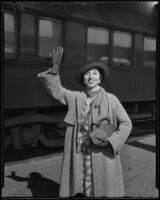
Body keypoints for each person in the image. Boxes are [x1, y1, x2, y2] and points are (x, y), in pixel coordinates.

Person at [37, 46, 132, 197]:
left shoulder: (111, 99)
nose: (91, 76)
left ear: (100, 79)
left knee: (103, 188)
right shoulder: (76, 97)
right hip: (81, 154)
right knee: (84, 188)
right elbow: (58, 91)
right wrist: (55, 69)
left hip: (102, 152)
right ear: (83, 80)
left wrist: (112, 141)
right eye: (87, 74)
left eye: (95, 73)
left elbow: (127, 124)